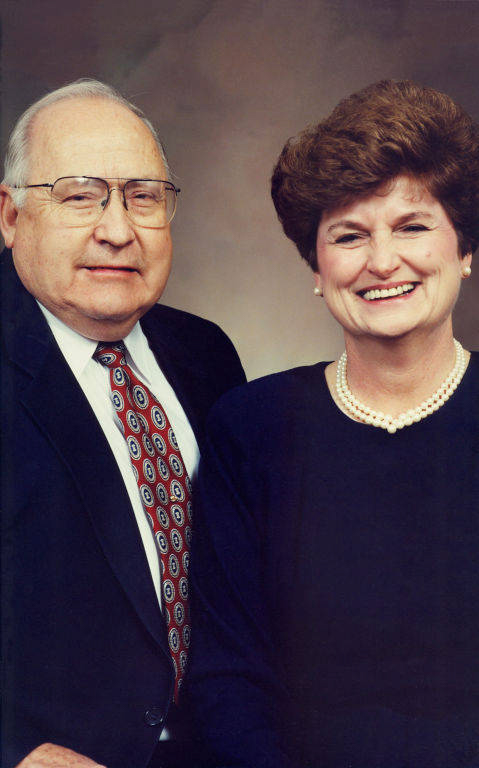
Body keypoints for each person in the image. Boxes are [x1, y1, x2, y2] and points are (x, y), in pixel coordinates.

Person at [186, 80, 479, 768]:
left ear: (464, 250)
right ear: (315, 268)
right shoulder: (250, 428)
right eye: (349, 235)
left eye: (411, 226)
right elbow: (228, 677)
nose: (382, 261)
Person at [0, 79, 245, 768]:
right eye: (80, 195)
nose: (118, 229)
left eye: (143, 197)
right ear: (11, 216)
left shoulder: (204, 355)